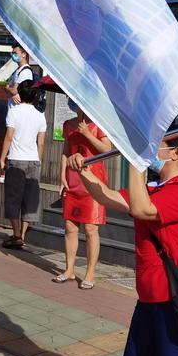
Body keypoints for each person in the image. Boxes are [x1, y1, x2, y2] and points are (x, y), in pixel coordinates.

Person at [69, 134, 178, 356]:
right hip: (148, 298)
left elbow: (141, 209)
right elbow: (107, 196)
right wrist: (83, 170)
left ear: (176, 153)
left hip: (176, 300)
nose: (151, 151)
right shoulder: (155, 189)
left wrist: (135, 162)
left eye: (157, 146)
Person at [55, 98, 112, 289]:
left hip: (93, 181)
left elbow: (107, 149)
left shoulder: (98, 125)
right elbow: (66, 151)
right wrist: (62, 176)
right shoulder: (68, 125)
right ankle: (69, 270)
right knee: (70, 227)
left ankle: (90, 273)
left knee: (90, 229)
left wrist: (87, 133)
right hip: (73, 180)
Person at [0, 79, 46, 248]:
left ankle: (16, 234)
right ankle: (22, 235)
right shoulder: (40, 115)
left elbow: (9, 137)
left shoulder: (14, 112)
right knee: (30, 199)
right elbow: (41, 143)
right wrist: (38, 159)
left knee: (13, 197)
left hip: (16, 159)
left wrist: (2, 158)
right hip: (33, 160)